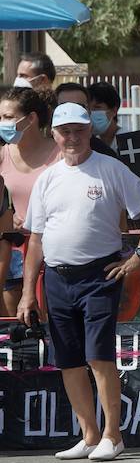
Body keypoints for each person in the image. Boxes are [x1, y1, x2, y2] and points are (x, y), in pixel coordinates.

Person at [17, 103, 140, 463]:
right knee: (69, 360)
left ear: (90, 130)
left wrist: (139, 256)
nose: (72, 137)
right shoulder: (48, 178)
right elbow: (36, 239)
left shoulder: (111, 169)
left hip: (100, 275)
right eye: (65, 131)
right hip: (57, 278)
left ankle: (113, 435)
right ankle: (89, 435)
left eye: (79, 130)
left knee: (99, 356)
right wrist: (28, 293)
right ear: (54, 135)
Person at [0, 87, 60, 314]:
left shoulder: (61, 154)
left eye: (8, 117)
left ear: (31, 118)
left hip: (52, 256)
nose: (2, 123)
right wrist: (8, 220)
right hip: (10, 259)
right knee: (13, 327)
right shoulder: (2, 155)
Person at [52, 83, 118, 158]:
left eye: (79, 106)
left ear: (89, 111)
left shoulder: (105, 155)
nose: (72, 111)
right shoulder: (44, 150)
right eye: (65, 106)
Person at [87, 82, 121, 149]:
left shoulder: (128, 139)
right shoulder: (88, 143)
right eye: (88, 108)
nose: (91, 113)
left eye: (97, 107)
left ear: (114, 111)